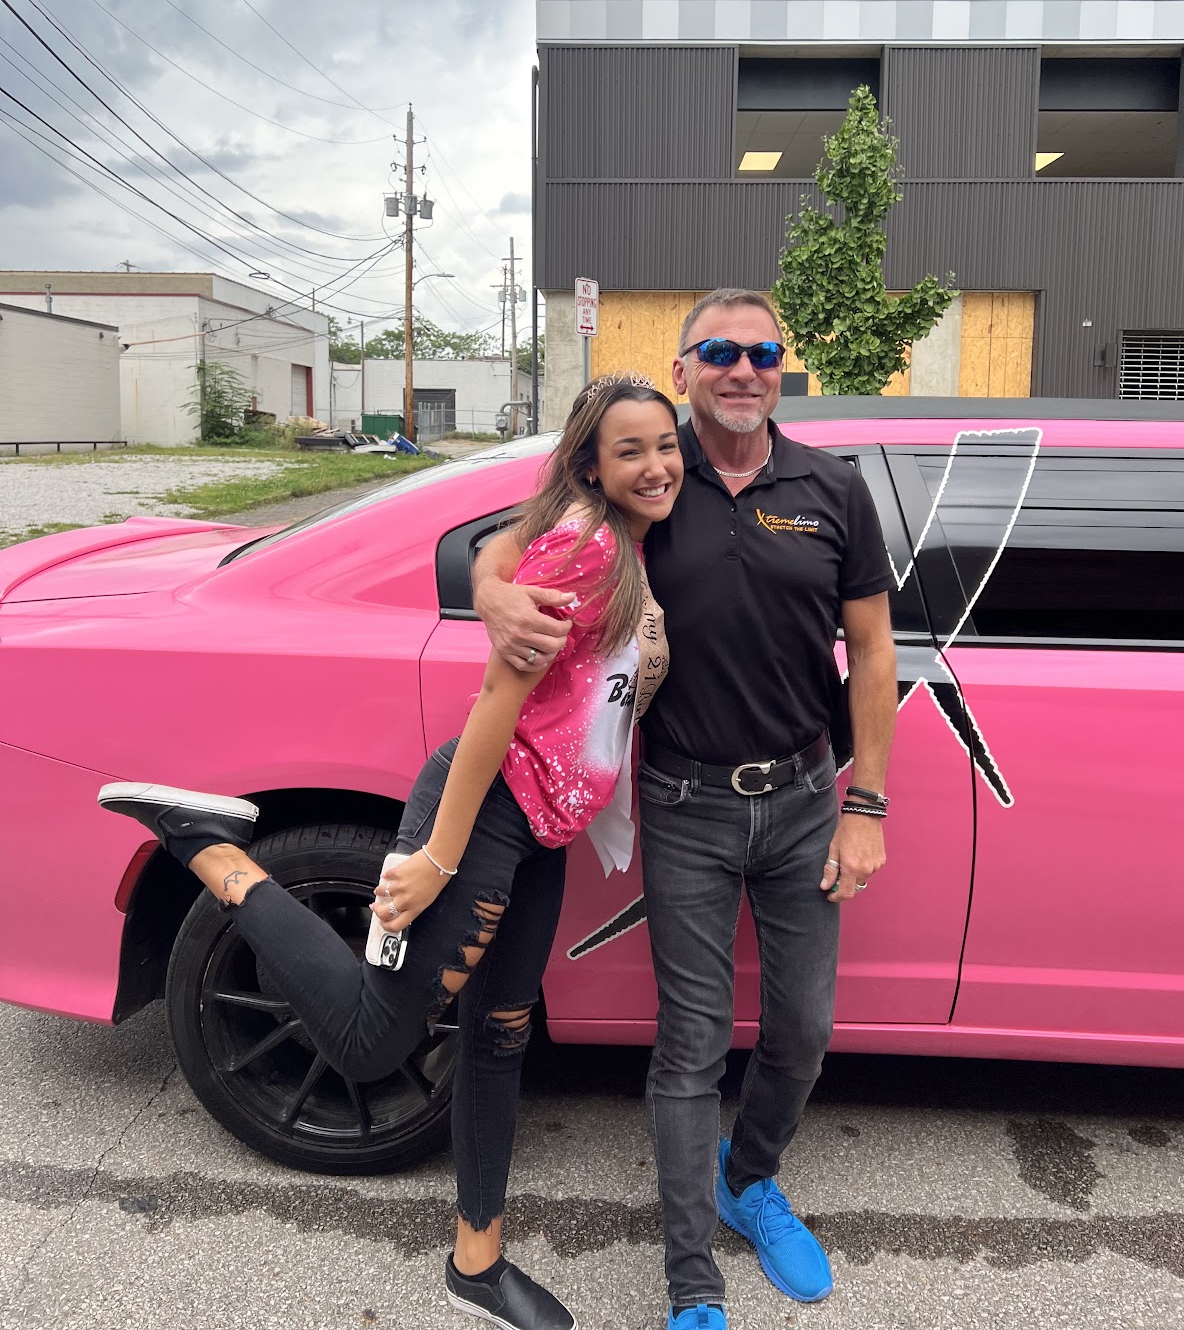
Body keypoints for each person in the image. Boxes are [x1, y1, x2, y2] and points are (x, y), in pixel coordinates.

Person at [98, 374, 682, 1330]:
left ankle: (476, 1265)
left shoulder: (617, 532)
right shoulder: (585, 547)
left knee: (500, 1034)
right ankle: (212, 853)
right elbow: (495, 702)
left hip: (544, 827)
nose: (656, 465)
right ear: (590, 465)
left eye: (666, 445)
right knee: (372, 1042)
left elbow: (500, 547)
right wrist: (439, 858)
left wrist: (493, 583)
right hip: (487, 812)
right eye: (631, 450)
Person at [474, 289, 897, 1330]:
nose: (744, 369)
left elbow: (874, 650)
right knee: (691, 1044)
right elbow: (509, 544)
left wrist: (867, 804)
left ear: (783, 367)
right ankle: (691, 1279)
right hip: (685, 803)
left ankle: (747, 1179)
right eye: (720, 351)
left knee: (803, 1029)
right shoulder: (649, 483)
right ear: (684, 368)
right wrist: (493, 592)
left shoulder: (834, 488)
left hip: (806, 799)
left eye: (764, 352)